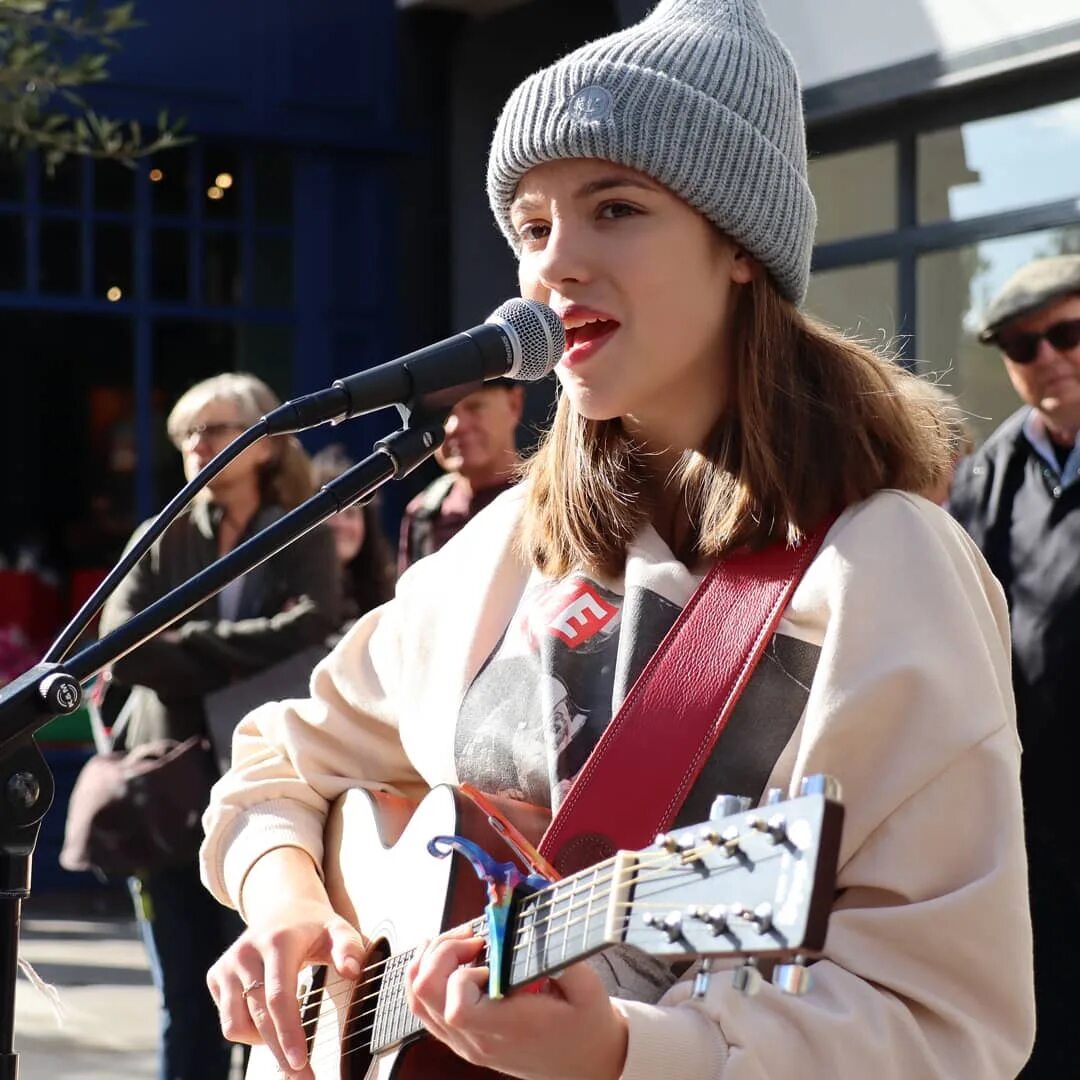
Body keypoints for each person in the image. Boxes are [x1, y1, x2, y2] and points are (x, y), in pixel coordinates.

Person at [200, 3, 1034, 1077]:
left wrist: (621, 1052)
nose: (559, 265)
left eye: (617, 208)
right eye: (534, 229)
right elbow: (279, 758)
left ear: (742, 248)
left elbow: (944, 1028)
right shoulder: (506, 551)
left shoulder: (885, 567)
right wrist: (285, 901)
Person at [100, 372, 340, 1080]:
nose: (198, 445)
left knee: (266, 998)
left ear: (264, 444)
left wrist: (190, 647)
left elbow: (312, 622)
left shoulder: (303, 526)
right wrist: (230, 659)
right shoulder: (160, 535)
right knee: (186, 996)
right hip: (167, 787)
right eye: (186, 434)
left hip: (264, 793)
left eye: (215, 428)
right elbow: (121, 644)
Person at [947, 253, 1080, 1077]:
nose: (1049, 357)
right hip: (1030, 814)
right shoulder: (988, 475)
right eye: (1024, 346)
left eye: (1068, 333)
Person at [397, 379, 524, 572]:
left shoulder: (550, 499)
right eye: (443, 416)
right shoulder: (425, 514)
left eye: (475, 407)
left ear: (514, 404)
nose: (455, 426)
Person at [310, 443, 396, 628]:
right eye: (329, 514)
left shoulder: (388, 597)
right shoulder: (287, 593)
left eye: (350, 514)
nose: (340, 524)